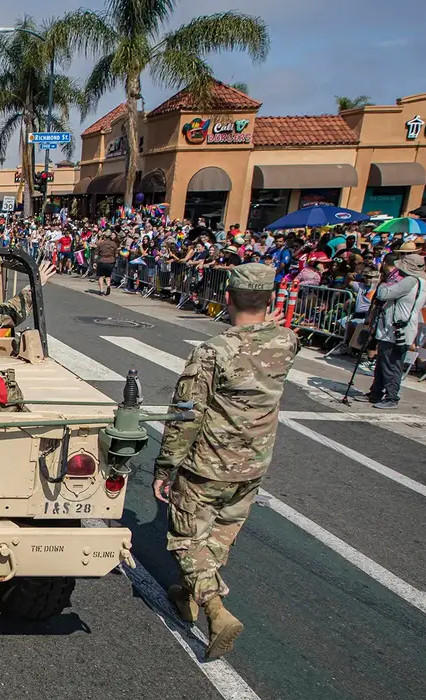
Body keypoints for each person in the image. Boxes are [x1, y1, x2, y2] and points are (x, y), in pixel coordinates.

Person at [153, 263, 299, 661]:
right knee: (220, 533)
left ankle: (216, 611)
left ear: (228, 298)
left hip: (208, 464)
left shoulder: (214, 352)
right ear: (269, 299)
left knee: (187, 537)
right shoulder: (287, 341)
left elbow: (187, 414)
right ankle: (187, 593)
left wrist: (166, 466)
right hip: (253, 463)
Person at [364, 253, 426, 409]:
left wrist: (386, 283)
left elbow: (383, 294)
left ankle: (391, 396)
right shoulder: (422, 282)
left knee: (391, 363)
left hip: (395, 329)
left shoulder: (409, 281)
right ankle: (376, 392)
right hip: (400, 327)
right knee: (383, 362)